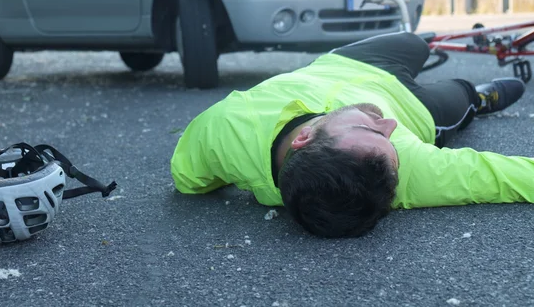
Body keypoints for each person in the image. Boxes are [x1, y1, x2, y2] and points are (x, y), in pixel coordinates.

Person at [170, 32, 529, 238]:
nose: (387, 125)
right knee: (459, 92)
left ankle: (427, 43)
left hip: (348, 63)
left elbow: (187, 178)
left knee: (415, 42)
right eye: (387, 140)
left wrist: (233, 173)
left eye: (365, 128)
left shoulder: (224, 130)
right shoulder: (398, 173)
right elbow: (497, 175)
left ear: (304, 138)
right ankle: (479, 98)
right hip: (417, 105)